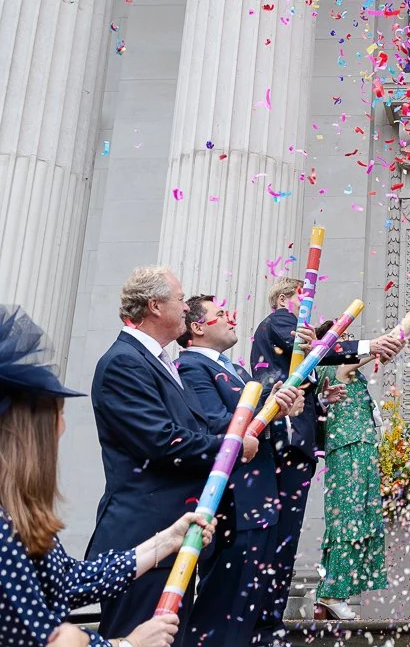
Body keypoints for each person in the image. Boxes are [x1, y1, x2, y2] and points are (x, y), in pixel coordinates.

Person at [0, 305, 216, 647]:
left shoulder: (17, 516)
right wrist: (126, 645)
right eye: (59, 418)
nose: (64, 429)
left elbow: (68, 581)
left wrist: (166, 541)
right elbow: (44, 640)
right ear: (32, 438)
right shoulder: (4, 528)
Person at [86, 267, 244, 638]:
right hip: (143, 537)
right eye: (178, 299)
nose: (186, 308)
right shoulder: (124, 362)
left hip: (173, 534)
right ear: (155, 306)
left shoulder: (160, 361)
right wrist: (232, 446)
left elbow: (199, 428)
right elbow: (161, 441)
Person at [251, 277, 404, 644]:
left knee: (285, 536)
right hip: (284, 441)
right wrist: (372, 346)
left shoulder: (301, 350)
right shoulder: (278, 321)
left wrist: (323, 402)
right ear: (287, 298)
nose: (308, 306)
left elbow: (312, 370)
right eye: (304, 298)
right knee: (278, 533)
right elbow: (322, 351)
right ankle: (264, 616)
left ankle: (269, 619)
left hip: (303, 444)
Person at [175, 295, 304, 645]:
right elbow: (216, 425)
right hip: (233, 505)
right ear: (197, 327)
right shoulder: (190, 368)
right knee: (223, 607)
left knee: (250, 605)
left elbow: (257, 422)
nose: (231, 318)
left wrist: (280, 406)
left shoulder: (236, 370)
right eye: (220, 314)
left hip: (260, 503)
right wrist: (268, 408)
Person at [311, 345, 388, 620]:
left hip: (362, 450)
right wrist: (378, 349)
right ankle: (333, 592)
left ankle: (328, 594)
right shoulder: (333, 369)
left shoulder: (350, 373)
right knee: (347, 519)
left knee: (358, 518)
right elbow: (347, 364)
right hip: (347, 450)